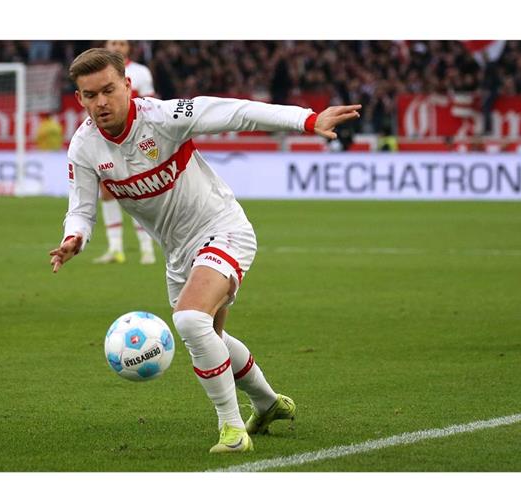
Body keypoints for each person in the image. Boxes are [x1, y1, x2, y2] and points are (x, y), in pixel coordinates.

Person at [49, 49, 361, 453]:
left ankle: (232, 432)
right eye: (90, 95)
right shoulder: (85, 147)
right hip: (178, 252)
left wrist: (306, 119)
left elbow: (235, 113)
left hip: (222, 228)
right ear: (80, 98)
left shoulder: (163, 118)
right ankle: (267, 403)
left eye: (109, 90)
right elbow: (81, 209)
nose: (101, 102)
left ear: (128, 86)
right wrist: (75, 237)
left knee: (191, 320)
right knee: (210, 334)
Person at [93, 40, 157, 265]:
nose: (117, 47)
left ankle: (147, 248)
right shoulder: (96, 74)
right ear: (106, 46)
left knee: (140, 192)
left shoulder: (140, 72)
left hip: (136, 141)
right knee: (107, 192)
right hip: (107, 142)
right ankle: (115, 248)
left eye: (122, 43)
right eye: (113, 43)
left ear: (128, 48)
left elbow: (151, 104)